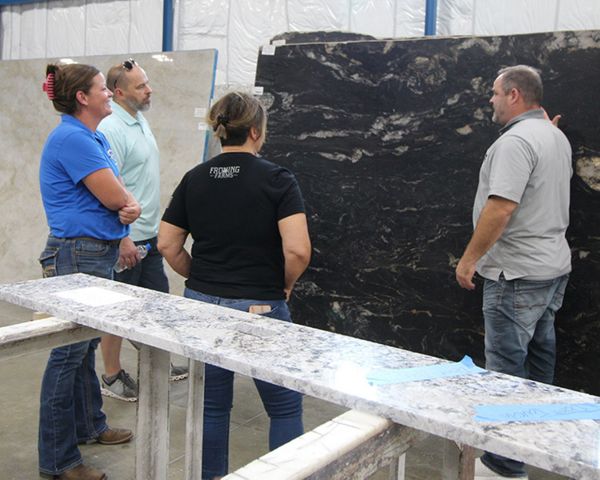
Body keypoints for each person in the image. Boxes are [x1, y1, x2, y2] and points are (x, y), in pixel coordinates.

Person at [158, 91, 311, 480]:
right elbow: (297, 251)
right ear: (256, 132)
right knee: (284, 406)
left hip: (201, 303)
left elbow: (167, 244)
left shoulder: (194, 178)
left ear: (219, 132)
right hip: (261, 303)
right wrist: (284, 286)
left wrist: (200, 279)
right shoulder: (278, 179)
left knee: (211, 406)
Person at [456, 65, 572, 480]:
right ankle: (536, 445)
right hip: (551, 270)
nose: (491, 99)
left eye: (495, 93)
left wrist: (470, 259)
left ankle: (504, 465)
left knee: (505, 369)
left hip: (515, 274)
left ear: (515, 96)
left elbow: (501, 207)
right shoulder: (553, 136)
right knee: (540, 363)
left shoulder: (516, 142)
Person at [38, 62, 140, 480]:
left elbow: (119, 198)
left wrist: (125, 208)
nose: (109, 94)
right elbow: (115, 196)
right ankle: (59, 461)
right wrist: (125, 207)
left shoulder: (89, 136)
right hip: (77, 254)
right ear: (82, 97)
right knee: (67, 356)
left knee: (82, 351)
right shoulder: (73, 138)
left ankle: (89, 426)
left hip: (91, 251)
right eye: (103, 89)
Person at [97, 58, 187, 402]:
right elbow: (107, 190)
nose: (149, 90)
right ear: (119, 92)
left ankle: (157, 364)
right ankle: (111, 375)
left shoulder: (138, 120)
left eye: (147, 83)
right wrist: (121, 240)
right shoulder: (111, 129)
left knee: (154, 305)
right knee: (117, 311)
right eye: (140, 86)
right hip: (124, 238)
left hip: (147, 235)